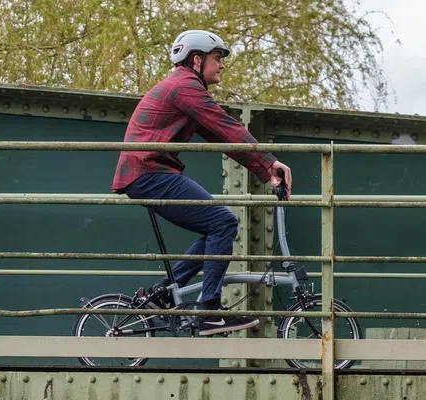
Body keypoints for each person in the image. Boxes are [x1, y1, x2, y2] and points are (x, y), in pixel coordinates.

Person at [111, 30, 293, 336]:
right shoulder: (185, 87)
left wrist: (265, 170)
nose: (221, 65)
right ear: (197, 59)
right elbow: (226, 126)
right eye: (217, 57)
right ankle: (209, 309)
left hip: (149, 172)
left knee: (216, 225)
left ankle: (163, 294)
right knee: (223, 222)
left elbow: (223, 138)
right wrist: (270, 162)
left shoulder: (185, 88)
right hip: (149, 172)